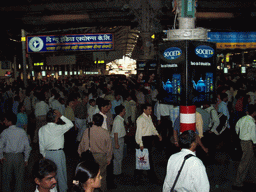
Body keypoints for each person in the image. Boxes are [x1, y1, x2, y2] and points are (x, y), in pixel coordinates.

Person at [39, 109, 74, 192]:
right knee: (61, 176)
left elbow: (41, 144)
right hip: (58, 153)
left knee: (49, 175)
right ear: (56, 118)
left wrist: (43, 155)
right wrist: (61, 115)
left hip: (47, 154)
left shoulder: (42, 129)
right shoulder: (58, 128)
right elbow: (70, 124)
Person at [78, 113, 112, 192]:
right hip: (101, 157)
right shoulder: (105, 132)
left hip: (90, 157)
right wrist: (109, 158)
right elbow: (109, 147)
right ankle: (102, 190)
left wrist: (80, 154)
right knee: (101, 176)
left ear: (93, 121)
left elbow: (82, 144)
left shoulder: (88, 131)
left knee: (89, 176)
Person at [0, 112, 31, 192]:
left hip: (8, 157)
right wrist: (26, 159)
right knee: (19, 179)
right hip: (19, 156)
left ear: (8, 121)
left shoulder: (5, 132)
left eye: (5, 120)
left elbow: (0, 146)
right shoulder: (22, 132)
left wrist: (1, 156)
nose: (4, 122)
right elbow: (27, 147)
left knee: (6, 179)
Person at [135, 104, 162, 183]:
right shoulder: (140, 119)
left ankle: (143, 177)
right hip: (144, 139)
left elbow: (152, 128)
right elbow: (138, 132)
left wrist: (157, 134)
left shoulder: (149, 117)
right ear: (144, 109)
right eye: (149, 109)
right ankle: (143, 177)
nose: (151, 111)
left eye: (151, 109)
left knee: (145, 159)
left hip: (149, 139)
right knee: (143, 159)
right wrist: (140, 143)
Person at [233, 104, 256, 190]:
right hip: (248, 143)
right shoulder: (252, 123)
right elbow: (253, 135)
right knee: (245, 162)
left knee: (252, 161)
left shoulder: (242, 119)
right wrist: (254, 143)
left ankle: (254, 178)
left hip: (242, 141)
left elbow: (237, 127)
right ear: (254, 113)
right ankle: (238, 182)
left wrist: (239, 134)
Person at [110, 105, 126, 176]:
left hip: (119, 139)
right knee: (117, 157)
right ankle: (117, 172)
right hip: (117, 139)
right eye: (124, 110)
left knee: (119, 156)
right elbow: (115, 133)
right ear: (121, 111)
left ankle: (118, 171)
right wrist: (116, 143)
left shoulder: (119, 119)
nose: (125, 112)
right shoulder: (118, 120)